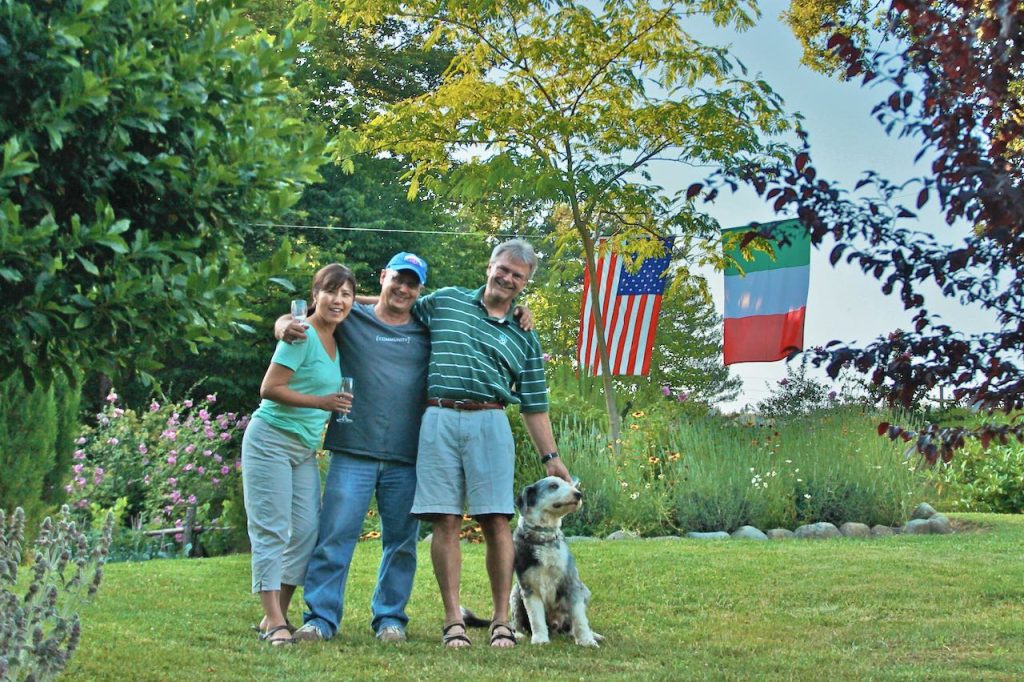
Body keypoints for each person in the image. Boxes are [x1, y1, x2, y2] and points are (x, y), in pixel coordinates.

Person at [408, 238, 570, 649]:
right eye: (503, 268)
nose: (508, 278)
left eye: (518, 275)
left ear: (526, 283)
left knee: (497, 520)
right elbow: (393, 307)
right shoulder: (445, 302)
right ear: (489, 266)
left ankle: (502, 621)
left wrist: (551, 458)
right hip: (439, 416)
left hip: (490, 420)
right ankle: (452, 621)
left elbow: (534, 405)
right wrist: (335, 304)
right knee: (445, 520)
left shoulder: (525, 334)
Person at [278, 252, 431, 644]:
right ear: (383, 277)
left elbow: (479, 312)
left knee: (401, 543)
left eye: (412, 283)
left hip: (407, 456)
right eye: (398, 278)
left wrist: (520, 311)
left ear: (420, 290)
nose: (403, 288)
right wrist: (283, 324)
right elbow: (316, 314)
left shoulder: (428, 326)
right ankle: (321, 619)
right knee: (335, 536)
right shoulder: (352, 320)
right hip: (353, 450)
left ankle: (390, 619)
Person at [242, 263, 356, 646]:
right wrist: (321, 402)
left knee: (307, 532)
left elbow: (377, 301)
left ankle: (273, 614)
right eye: (330, 292)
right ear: (314, 296)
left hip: (304, 450)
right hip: (270, 439)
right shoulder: (300, 334)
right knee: (271, 530)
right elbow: (269, 388)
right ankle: (276, 621)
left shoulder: (338, 337)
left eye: (346, 294)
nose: (338, 300)